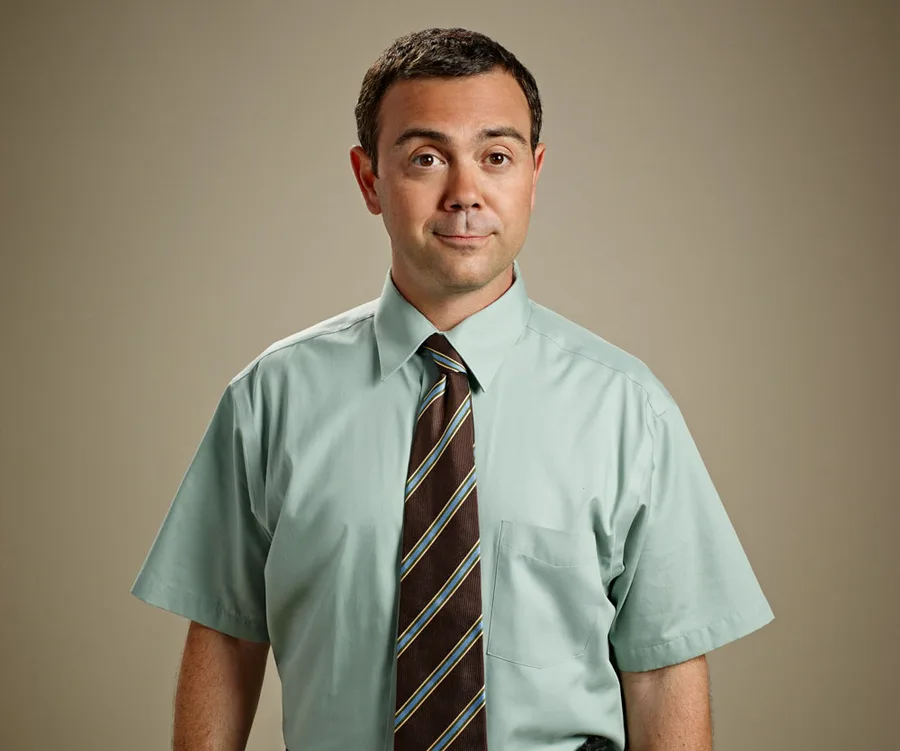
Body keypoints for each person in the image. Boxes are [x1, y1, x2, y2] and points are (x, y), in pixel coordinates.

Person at [131, 27, 774, 751]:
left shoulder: (629, 410)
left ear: (534, 172)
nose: (465, 193)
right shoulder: (267, 401)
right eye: (427, 158)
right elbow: (225, 637)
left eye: (495, 157)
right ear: (370, 179)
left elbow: (663, 671)